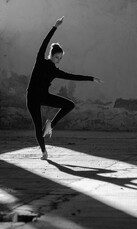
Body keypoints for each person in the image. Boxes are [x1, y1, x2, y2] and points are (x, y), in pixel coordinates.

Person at [26, 17, 102, 160]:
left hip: (44, 96)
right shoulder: (40, 61)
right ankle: (44, 152)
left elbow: (73, 76)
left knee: (69, 105)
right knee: (37, 126)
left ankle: (51, 125)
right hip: (32, 98)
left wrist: (91, 78)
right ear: (51, 55)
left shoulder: (55, 71)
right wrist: (55, 26)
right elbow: (45, 42)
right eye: (56, 57)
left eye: (60, 58)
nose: (58, 60)